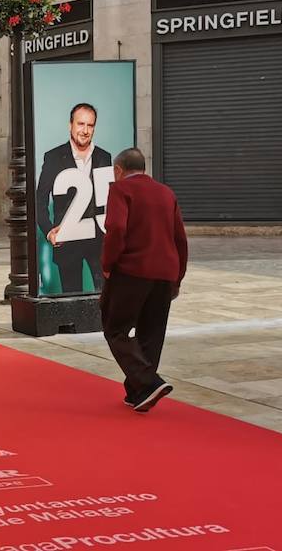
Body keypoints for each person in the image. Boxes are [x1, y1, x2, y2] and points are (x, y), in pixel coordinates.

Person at [100, 148, 188, 413]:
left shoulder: (120, 191)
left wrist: (107, 264)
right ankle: (138, 391)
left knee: (115, 327)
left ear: (118, 170)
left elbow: (116, 229)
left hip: (132, 270)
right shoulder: (166, 193)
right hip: (165, 272)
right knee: (152, 331)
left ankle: (148, 383)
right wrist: (178, 276)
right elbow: (180, 238)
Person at [35, 102, 112, 294]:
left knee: (105, 296)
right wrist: (49, 232)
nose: (85, 130)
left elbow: (109, 199)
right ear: (71, 125)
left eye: (90, 125)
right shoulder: (53, 157)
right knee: (71, 298)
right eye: (80, 124)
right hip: (67, 241)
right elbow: (39, 200)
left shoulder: (104, 156)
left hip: (98, 241)